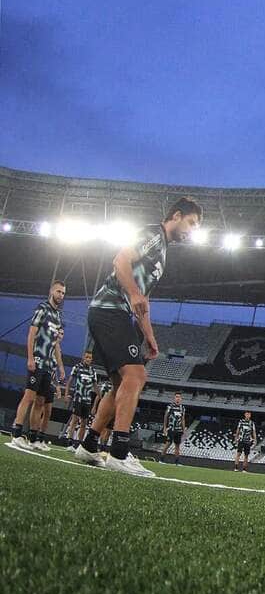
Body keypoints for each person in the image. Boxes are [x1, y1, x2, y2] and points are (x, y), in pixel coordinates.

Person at [74, 197, 203, 476]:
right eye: (191, 223)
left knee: (120, 383)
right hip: (110, 309)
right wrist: (132, 293)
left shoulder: (163, 250)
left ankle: (89, 444)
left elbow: (143, 298)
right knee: (136, 376)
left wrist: (150, 336)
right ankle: (119, 453)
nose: (192, 231)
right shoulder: (153, 235)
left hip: (115, 314)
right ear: (176, 215)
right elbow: (120, 259)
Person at [9, 280, 65, 450]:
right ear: (51, 291)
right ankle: (16, 434)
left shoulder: (58, 316)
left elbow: (55, 344)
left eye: (63, 293)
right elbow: (31, 334)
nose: (61, 295)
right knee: (29, 397)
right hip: (38, 360)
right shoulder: (42, 309)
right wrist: (30, 358)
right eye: (58, 291)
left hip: (48, 365)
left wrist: (60, 367)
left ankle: (34, 439)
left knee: (40, 401)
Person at [63, 351, 98, 450]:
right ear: (83, 358)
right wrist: (66, 394)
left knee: (84, 423)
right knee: (74, 420)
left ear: (91, 359)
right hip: (78, 398)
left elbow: (95, 386)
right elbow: (69, 382)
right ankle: (70, 443)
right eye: (86, 357)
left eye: (90, 358)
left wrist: (100, 398)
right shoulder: (77, 367)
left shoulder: (93, 371)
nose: (88, 359)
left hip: (87, 400)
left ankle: (79, 444)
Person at [160, 393, 186, 464]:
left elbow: (183, 419)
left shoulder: (182, 408)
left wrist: (183, 429)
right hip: (171, 429)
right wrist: (164, 427)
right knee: (168, 443)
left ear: (181, 399)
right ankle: (161, 459)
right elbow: (166, 417)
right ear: (174, 398)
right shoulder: (170, 406)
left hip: (179, 429)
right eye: (176, 397)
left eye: (179, 397)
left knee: (177, 445)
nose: (178, 398)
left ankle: (177, 462)